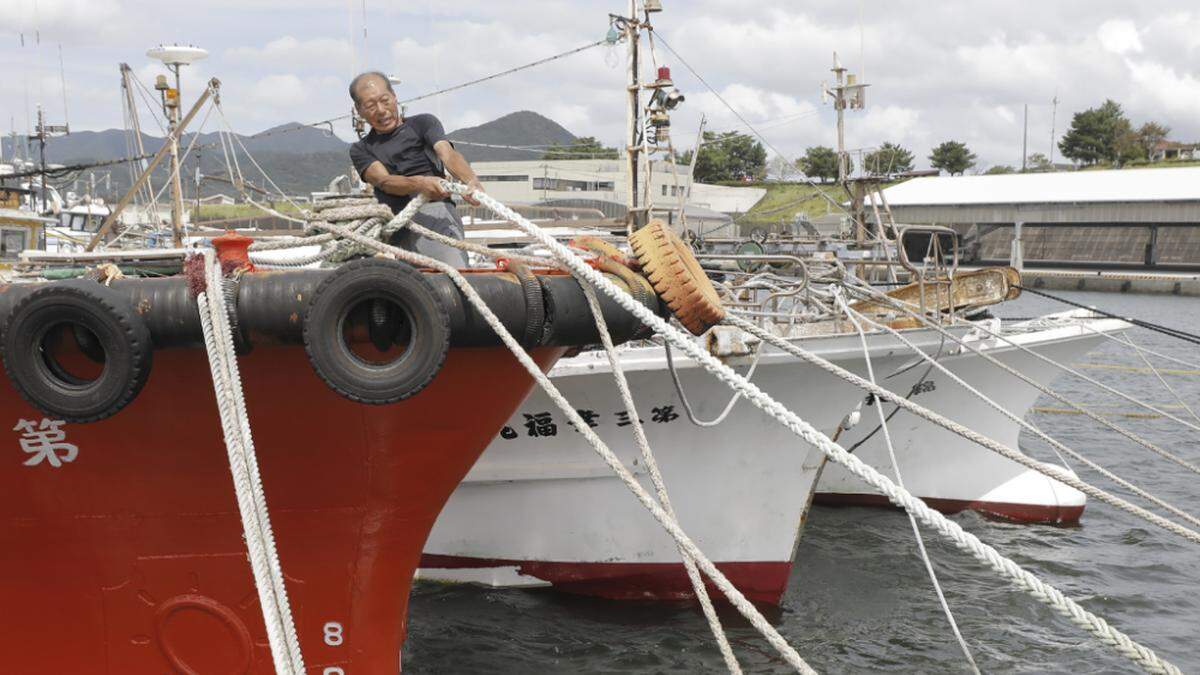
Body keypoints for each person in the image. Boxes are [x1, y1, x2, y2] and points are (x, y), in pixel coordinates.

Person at [347, 71, 484, 267]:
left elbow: (447, 153)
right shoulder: (361, 149)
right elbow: (384, 182)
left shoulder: (423, 124)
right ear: (359, 110)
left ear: (394, 97)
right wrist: (419, 183)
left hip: (437, 214)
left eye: (385, 100)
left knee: (454, 278)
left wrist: (470, 180)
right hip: (396, 225)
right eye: (370, 106)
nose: (380, 110)